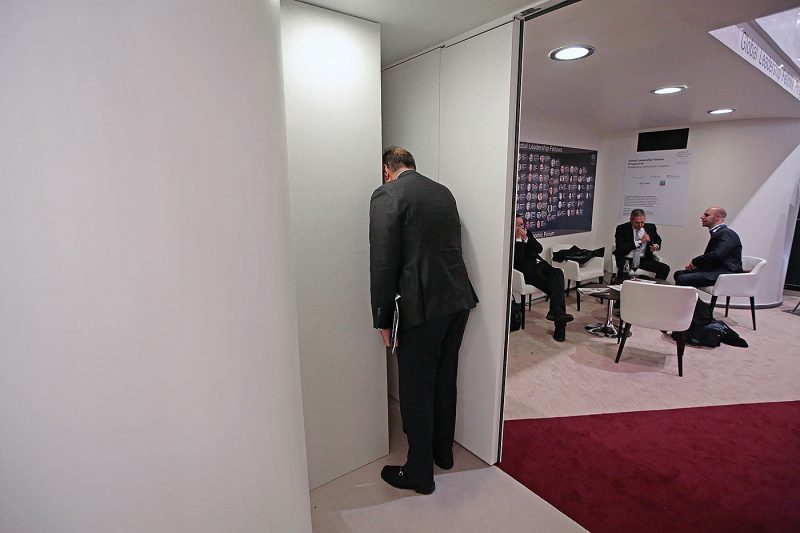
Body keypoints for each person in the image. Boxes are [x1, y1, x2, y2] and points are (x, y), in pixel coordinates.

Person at [370, 147, 478, 495]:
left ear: (388, 170)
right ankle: (442, 453)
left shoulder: (388, 193)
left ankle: (419, 472)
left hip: (420, 307)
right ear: (412, 166)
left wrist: (382, 318)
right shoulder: (442, 192)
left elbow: (384, 261)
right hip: (458, 300)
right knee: (444, 379)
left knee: (415, 389)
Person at [513, 215, 574, 341]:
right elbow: (518, 261)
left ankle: (556, 313)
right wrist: (519, 240)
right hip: (528, 272)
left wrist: (526, 238)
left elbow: (539, 249)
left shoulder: (526, 233)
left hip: (541, 264)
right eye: (517, 225)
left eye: (522, 224)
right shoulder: (509, 239)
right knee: (556, 288)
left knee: (558, 273)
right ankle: (560, 326)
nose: (521, 227)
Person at [673, 206, 743, 287]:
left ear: (717, 218)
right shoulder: (721, 233)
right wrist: (697, 265)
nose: (702, 217)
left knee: (682, 279)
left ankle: (692, 300)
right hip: (716, 269)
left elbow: (716, 255)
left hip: (726, 272)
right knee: (678, 274)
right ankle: (694, 299)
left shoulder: (726, 233)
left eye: (706, 215)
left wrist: (695, 262)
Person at [613, 208, 670, 280]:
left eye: (642, 222)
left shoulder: (650, 227)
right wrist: (640, 241)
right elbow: (621, 248)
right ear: (631, 220)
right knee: (624, 274)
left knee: (665, 269)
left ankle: (655, 288)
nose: (640, 225)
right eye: (637, 223)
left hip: (643, 259)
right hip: (627, 259)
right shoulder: (622, 228)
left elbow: (658, 239)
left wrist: (656, 246)